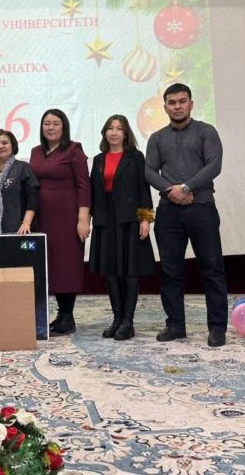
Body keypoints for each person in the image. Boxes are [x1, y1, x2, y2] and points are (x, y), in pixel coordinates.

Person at [144, 83, 227, 347]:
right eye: (172, 102)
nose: (177, 106)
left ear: (191, 104)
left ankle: (217, 327)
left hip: (202, 208)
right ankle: (175, 325)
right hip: (168, 211)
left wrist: (187, 187)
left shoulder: (206, 131)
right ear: (165, 106)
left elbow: (214, 165)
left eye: (182, 101)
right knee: (170, 271)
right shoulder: (157, 138)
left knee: (212, 268)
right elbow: (149, 171)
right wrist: (172, 191)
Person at [89, 115, 155, 341]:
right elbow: (93, 192)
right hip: (105, 220)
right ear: (105, 132)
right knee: (111, 273)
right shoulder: (98, 159)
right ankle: (117, 319)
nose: (114, 132)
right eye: (110, 128)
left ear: (126, 134)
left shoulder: (135, 157)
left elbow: (143, 189)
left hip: (129, 219)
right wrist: (88, 218)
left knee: (129, 271)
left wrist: (145, 218)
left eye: (119, 129)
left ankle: (128, 321)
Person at [29, 108, 91, 335]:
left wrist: (83, 218)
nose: (51, 127)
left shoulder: (74, 150)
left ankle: (67, 316)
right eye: (47, 123)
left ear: (64, 126)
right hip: (41, 216)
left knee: (67, 264)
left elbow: (84, 185)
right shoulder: (36, 151)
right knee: (50, 265)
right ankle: (60, 314)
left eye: (56, 123)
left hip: (67, 216)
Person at [0, 129, 39, 235]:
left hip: (20, 230)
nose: (0, 146)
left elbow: (32, 196)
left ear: (12, 146)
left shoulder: (22, 167)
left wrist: (26, 223)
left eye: (5, 143)